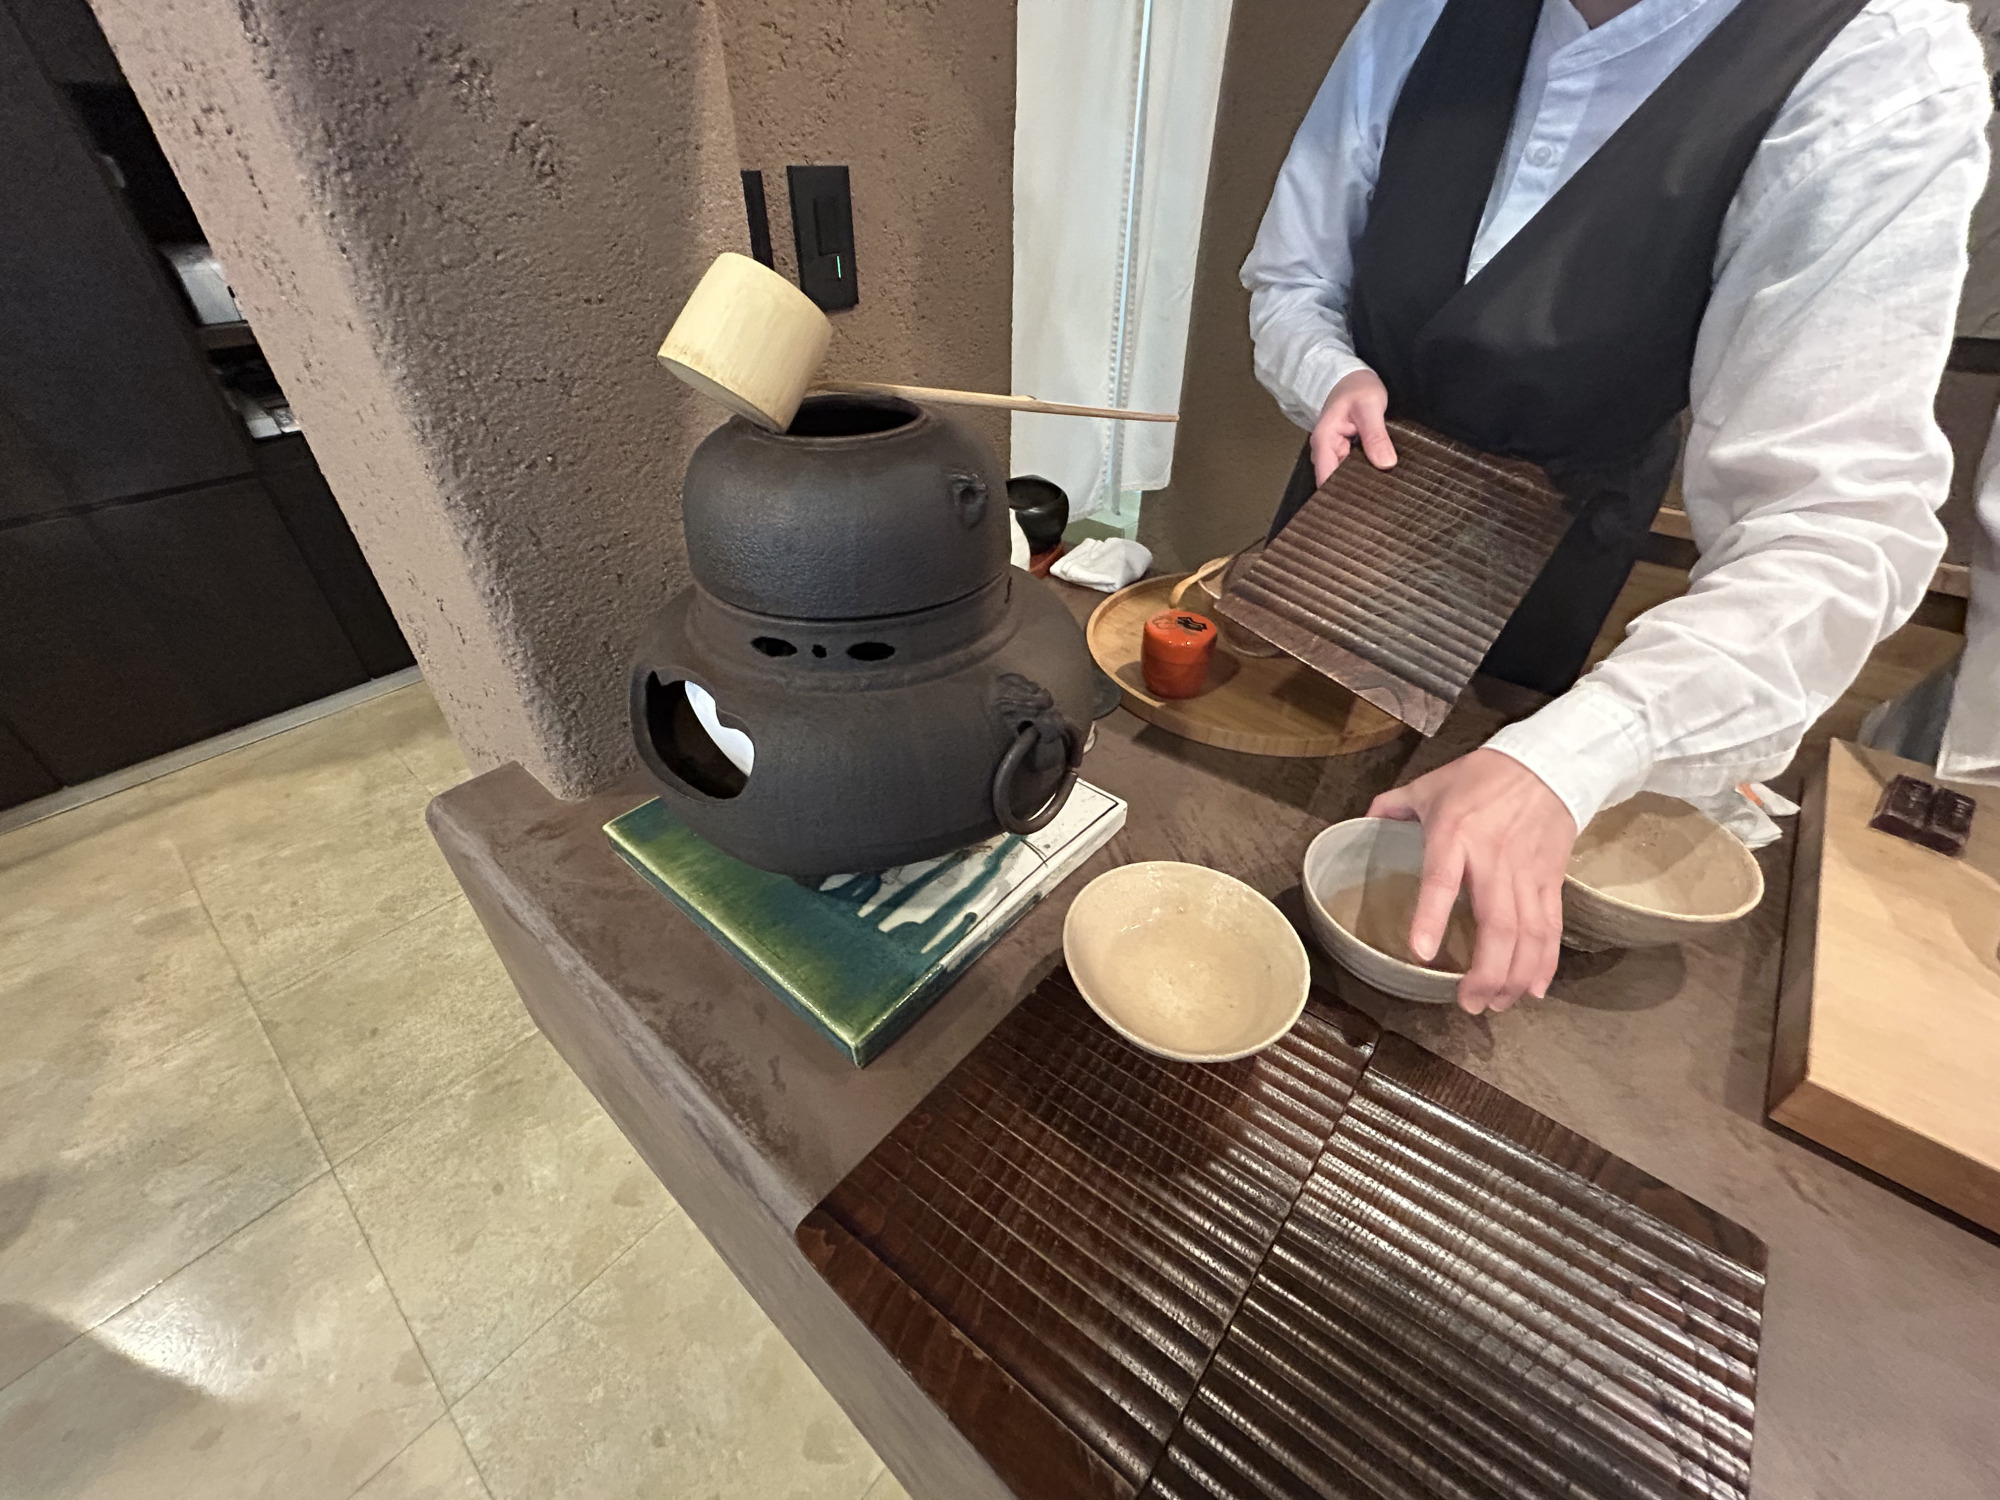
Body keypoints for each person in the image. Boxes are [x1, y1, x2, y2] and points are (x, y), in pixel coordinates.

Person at [1241, 0, 1991, 1014]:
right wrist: (1327, 372)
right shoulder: (1417, 12)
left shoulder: (1874, 58)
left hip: (1551, 543)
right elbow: (1291, 279)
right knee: (1261, 805)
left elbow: (1835, 522)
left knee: (1431, 886)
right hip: (1349, 509)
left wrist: (1574, 754)